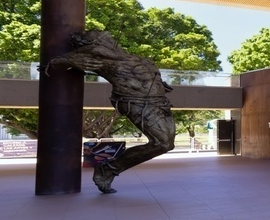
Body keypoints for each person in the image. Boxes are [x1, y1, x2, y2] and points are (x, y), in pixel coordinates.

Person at [45, 30, 175, 193]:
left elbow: (144, 76)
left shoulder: (136, 57)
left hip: (160, 102)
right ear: (89, 42)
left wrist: (160, 83)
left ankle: (108, 168)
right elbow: (53, 63)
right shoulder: (95, 52)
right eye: (95, 33)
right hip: (136, 102)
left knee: (167, 145)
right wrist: (70, 59)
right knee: (161, 143)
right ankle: (108, 168)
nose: (105, 34)